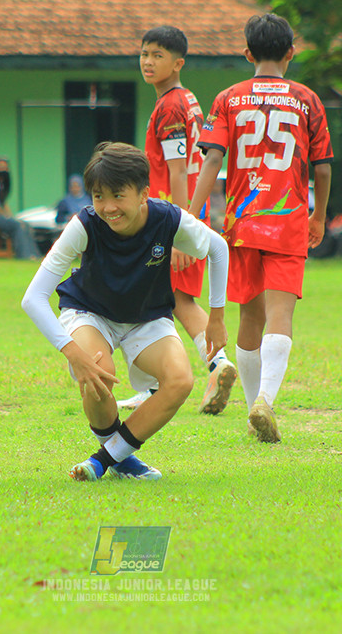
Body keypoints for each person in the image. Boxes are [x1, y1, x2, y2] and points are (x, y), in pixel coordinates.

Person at [21, 142, 229, 481]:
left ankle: (105, 460)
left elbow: (218, 249)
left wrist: (217, 317)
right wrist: (73, 353)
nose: (107, 207)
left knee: (180, 380)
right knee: (98, 374)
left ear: (144, 193)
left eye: (118, 196)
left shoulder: (167, 218)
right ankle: (117, 460)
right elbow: (33, 298)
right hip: (90, 312)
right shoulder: (85, 224)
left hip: (146, 317)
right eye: (98, 196)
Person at [189, 13, 334, 443]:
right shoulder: (307, 99)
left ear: (248, 53)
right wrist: (319, 215)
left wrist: (193, 215)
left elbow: (212, 161)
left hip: (242, 222)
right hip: (288, 219)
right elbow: (322, 169)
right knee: (280, 314)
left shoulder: (229, 98)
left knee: (248, 315)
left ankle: (255, 406)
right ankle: (264, 400)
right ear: (291, 52)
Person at [118, 25, 238, 416]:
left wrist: (176, 230)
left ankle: (195, 371)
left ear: (178, 62)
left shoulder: (170, 105)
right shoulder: (187, 100)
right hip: (189, 215)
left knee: (163, 300)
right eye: (144, 54)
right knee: (173, 300)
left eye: (158, 56)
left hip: (173, 217)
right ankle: (211, 366)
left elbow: (176, 170)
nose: (148, 62)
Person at [0, 157, 39, 259]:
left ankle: (34, 254)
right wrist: (7, 217)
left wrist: (11, 217)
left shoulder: (1, 184)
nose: (3, 170)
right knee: (17, 226)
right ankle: (24, 255)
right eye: (1, 167)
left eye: (5, 167)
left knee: (24, 224)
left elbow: (3, 203)